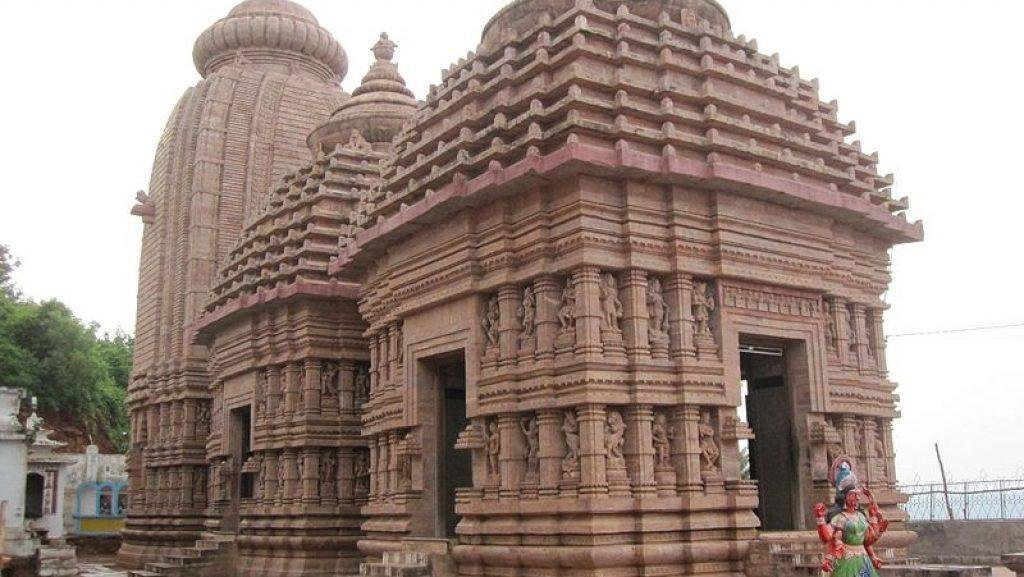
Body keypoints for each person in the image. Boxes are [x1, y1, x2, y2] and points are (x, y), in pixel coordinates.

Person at [814, 457, 889, 576]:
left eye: (858, 495)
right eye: (853, 495)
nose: (857, 498)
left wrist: (878, 531)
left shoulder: (861, 516)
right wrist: (820, 519)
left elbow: (867, 541)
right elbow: (827, 538)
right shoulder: (839, 518)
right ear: (844, 497)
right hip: (846, 560)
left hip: (863, 561)